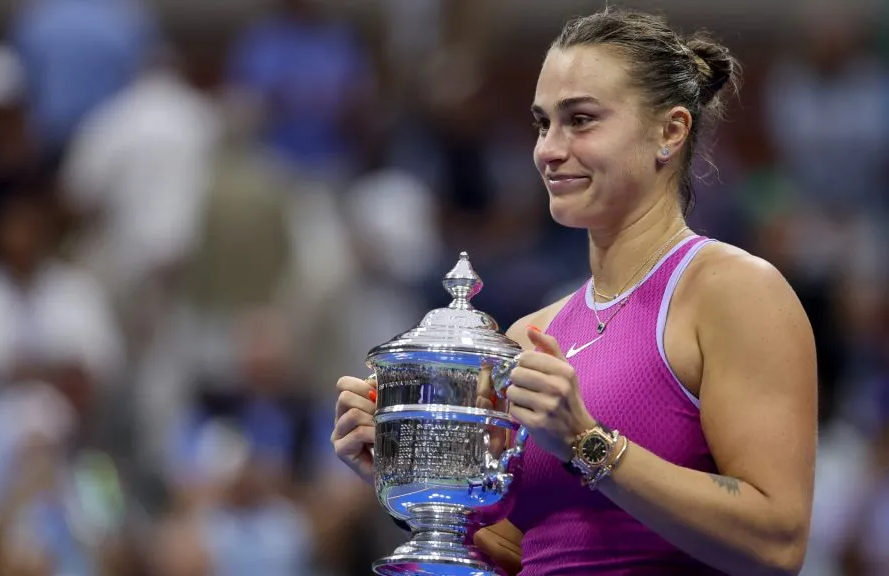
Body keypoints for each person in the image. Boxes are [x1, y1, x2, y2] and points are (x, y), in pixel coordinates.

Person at [331, 7, 817, 575]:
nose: (549, 149)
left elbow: (777, 542)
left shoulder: (734, 292)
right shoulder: (530, 335)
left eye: (581, 120)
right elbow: (519, 555)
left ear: (670, 131)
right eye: (543, 124)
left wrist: (587, 441)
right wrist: (414, 483)